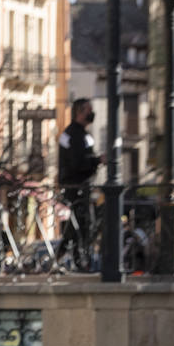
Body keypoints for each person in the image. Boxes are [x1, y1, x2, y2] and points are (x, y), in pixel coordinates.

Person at [59, 97, 103, 271]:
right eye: (88, 110)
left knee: (77, 227)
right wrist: (97, 160)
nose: (91, 114)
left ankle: (65, 258)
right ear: (79, 112)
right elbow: (77, 164)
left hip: (81, 188)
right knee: (81, 225)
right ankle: (79, 262)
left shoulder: (81, 134)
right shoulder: (73, 135)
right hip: (75, 188)